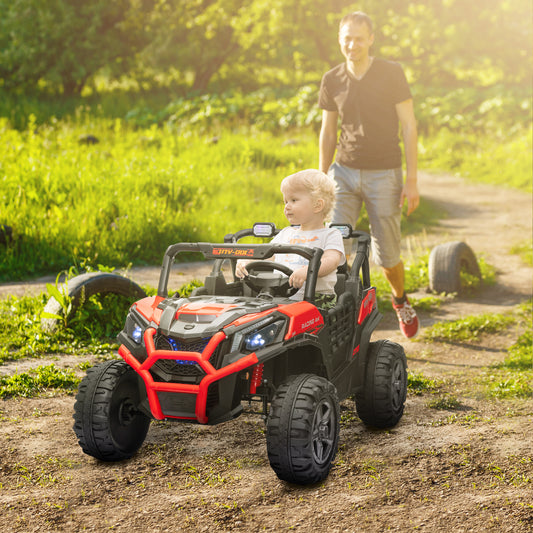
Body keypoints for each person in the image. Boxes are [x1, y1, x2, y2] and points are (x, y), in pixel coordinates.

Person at [318, 11, 420, 338]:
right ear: (339, 40)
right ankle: (338, 314)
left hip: (385, 174)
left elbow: (409, 125)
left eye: (359, 38)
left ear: (371, 39)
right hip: (343, 174)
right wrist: (321, 178)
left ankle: (400, 300)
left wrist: (412, 179)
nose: (352, 45)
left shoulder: (391, 73)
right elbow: (328, 132)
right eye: (347, 38)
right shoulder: (332, 79)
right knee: (333, 244)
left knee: (387, 255)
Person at [236, 169, 345, 304]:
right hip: (280, 296)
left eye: (293, 200)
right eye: (285, 201)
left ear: (317, 205)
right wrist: (247, 262)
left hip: (317, 300)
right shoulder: (286, 234)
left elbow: (331, 261)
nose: (287, 206)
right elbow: (265, 254)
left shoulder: (331, 234)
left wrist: (308, 271)